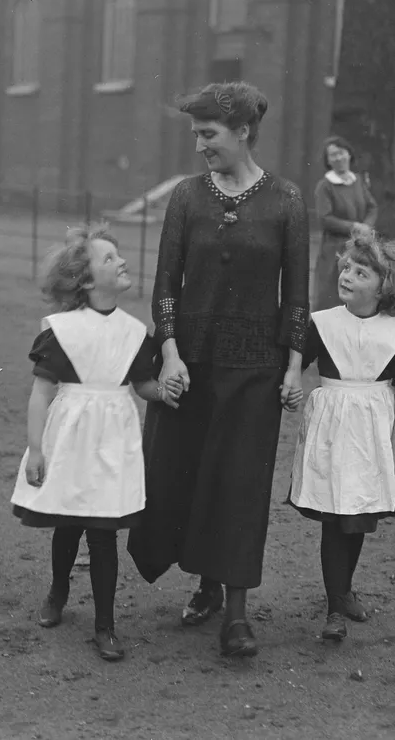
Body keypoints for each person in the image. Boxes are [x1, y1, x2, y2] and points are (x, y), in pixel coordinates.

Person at [127, 81, 310, 658]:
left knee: (240, 486)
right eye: (196, 135)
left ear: (243, 132)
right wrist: (173, 352)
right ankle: (204, 583)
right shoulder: (186, 197)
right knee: (186, 475)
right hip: (192, 364)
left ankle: (235, 614)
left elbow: (299, 296)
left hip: (256, 369)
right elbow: (165, 284)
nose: (201, 145)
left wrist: (294, 366)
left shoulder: (286, 200)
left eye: (208, 135)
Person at [10, 225, 180, 662]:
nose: (121, 262)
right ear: (85, 281)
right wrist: (36, 449)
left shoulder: (133, 330)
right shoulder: (62, 331)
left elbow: (141, 384)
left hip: (114, 442)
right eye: (108, 259)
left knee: (103, 532)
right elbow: (41, 394)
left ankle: (105, 624)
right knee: (69, 522)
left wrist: (165, 392)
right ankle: (58, 591)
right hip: (70, 438)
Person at [287, 225, 395, 642]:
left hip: (373, 435)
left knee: (358, 517)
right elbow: (294, 365)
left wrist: (394, 445)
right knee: (334, 519)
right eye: (347, 268)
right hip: (331, 430)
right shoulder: (323, 324)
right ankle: (333, 608)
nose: (348, 276)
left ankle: (343, 590)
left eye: (362, 273)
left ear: (385, 288)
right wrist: (290, 382)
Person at [313, 136, 379, 310]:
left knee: (358, 298)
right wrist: (354, 227)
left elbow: (372, 207)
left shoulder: (357, 181)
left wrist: (366, 226)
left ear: (349, 154)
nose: (338, 158)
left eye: (341, 153)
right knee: (330, 299)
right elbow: (325, 218)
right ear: (328, 161)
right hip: (335, 251)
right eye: (333, 155)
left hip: (359, 247)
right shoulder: (325, 186)